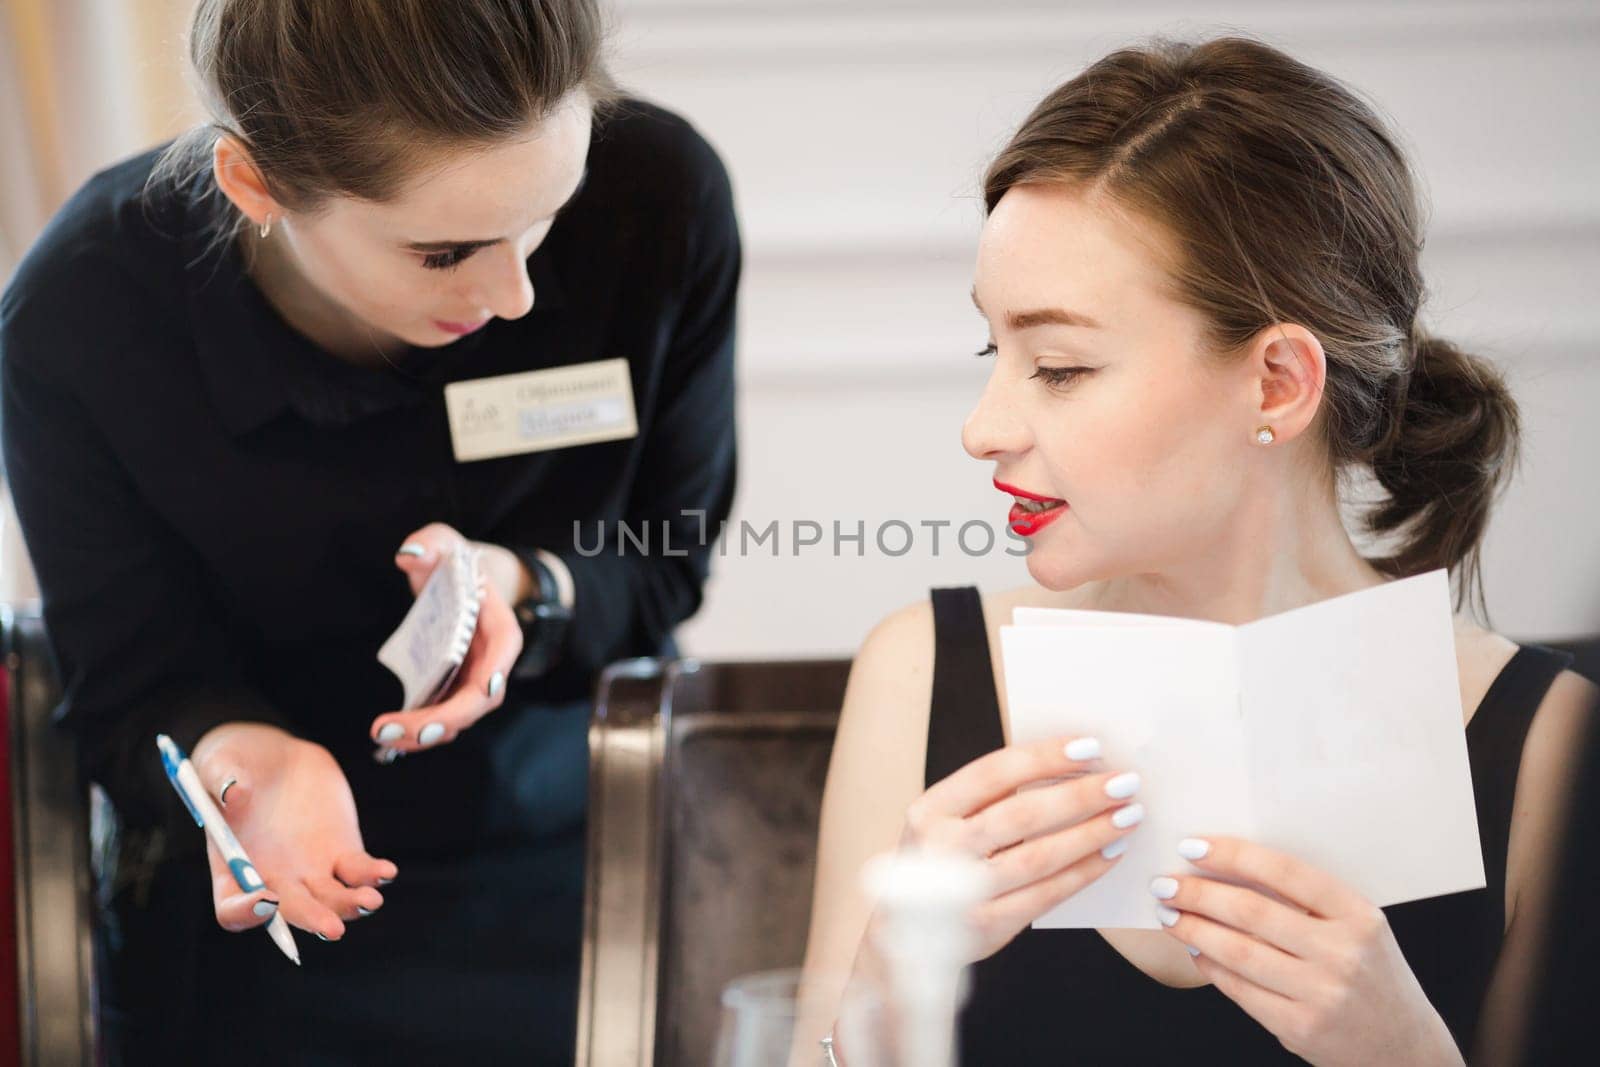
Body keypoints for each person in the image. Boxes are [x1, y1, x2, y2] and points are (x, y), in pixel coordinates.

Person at [800, 36, 1596, 1065]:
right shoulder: (918, 669)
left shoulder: (1546, 745)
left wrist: (1405, 1055)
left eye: (1059, 365)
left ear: (1275, 382)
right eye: (993, 352)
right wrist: (880, 992)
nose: (982, 426)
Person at [0, 1, 738, 1063]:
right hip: (254, 923)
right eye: (446, 252)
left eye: (549, 216)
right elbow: (129, 678)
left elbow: (668, 556)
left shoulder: (659, 198)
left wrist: (525, 584)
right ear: (254, 185)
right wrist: (249, 756)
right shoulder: (86, 313)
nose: (517, 292)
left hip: (587, 853)